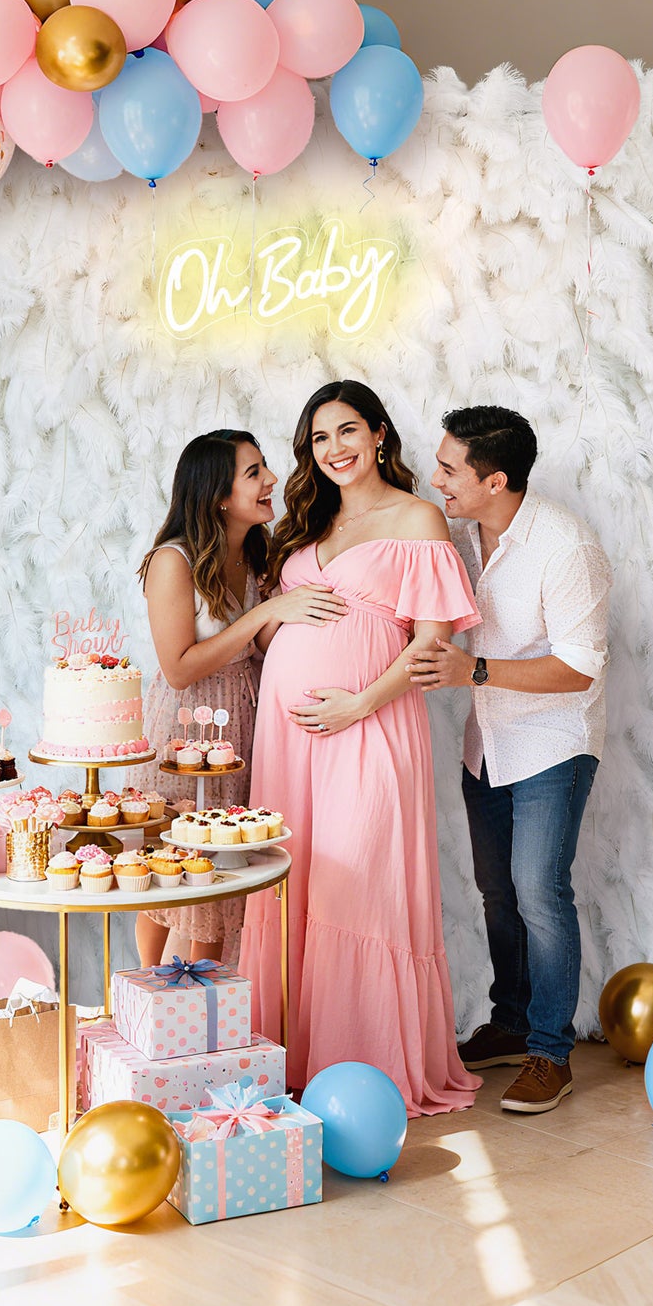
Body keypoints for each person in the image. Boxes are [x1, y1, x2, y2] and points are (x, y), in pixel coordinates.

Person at [238, 380, 482, 1116]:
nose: (334, 448)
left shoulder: (418, 518)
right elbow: (275, 629)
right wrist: (283, 621)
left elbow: (432, 644)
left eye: (347, 430)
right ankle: (292, 1058)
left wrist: (358, 703)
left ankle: (365, 1070)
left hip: (371, 725)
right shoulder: (304, 526)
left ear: (378, 433)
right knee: (290, 882)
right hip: (288, 741)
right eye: (319, 438)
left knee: (358, 885)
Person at [409, 405, 611, 1113]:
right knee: (498, 892)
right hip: (487, 745)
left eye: (448, 470)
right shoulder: (458, 535)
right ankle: (511, 1022)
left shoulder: (566, 546)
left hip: (554, 745)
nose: (436, 479)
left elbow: (580, 668)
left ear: (495, 481)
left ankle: (550, 1053)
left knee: (539, 893)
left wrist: (474, 672)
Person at [136, 430, 346, 969]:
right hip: (186, 728)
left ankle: (204, 1000)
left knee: (225, 869)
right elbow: (178, 669)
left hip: (246, 723)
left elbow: (264, 644)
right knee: (172, 862)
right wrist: (265, 613)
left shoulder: (257, 553)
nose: (271, 479)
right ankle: (147, 990)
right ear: (219, 495)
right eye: (254, 473)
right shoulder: (172, 561)